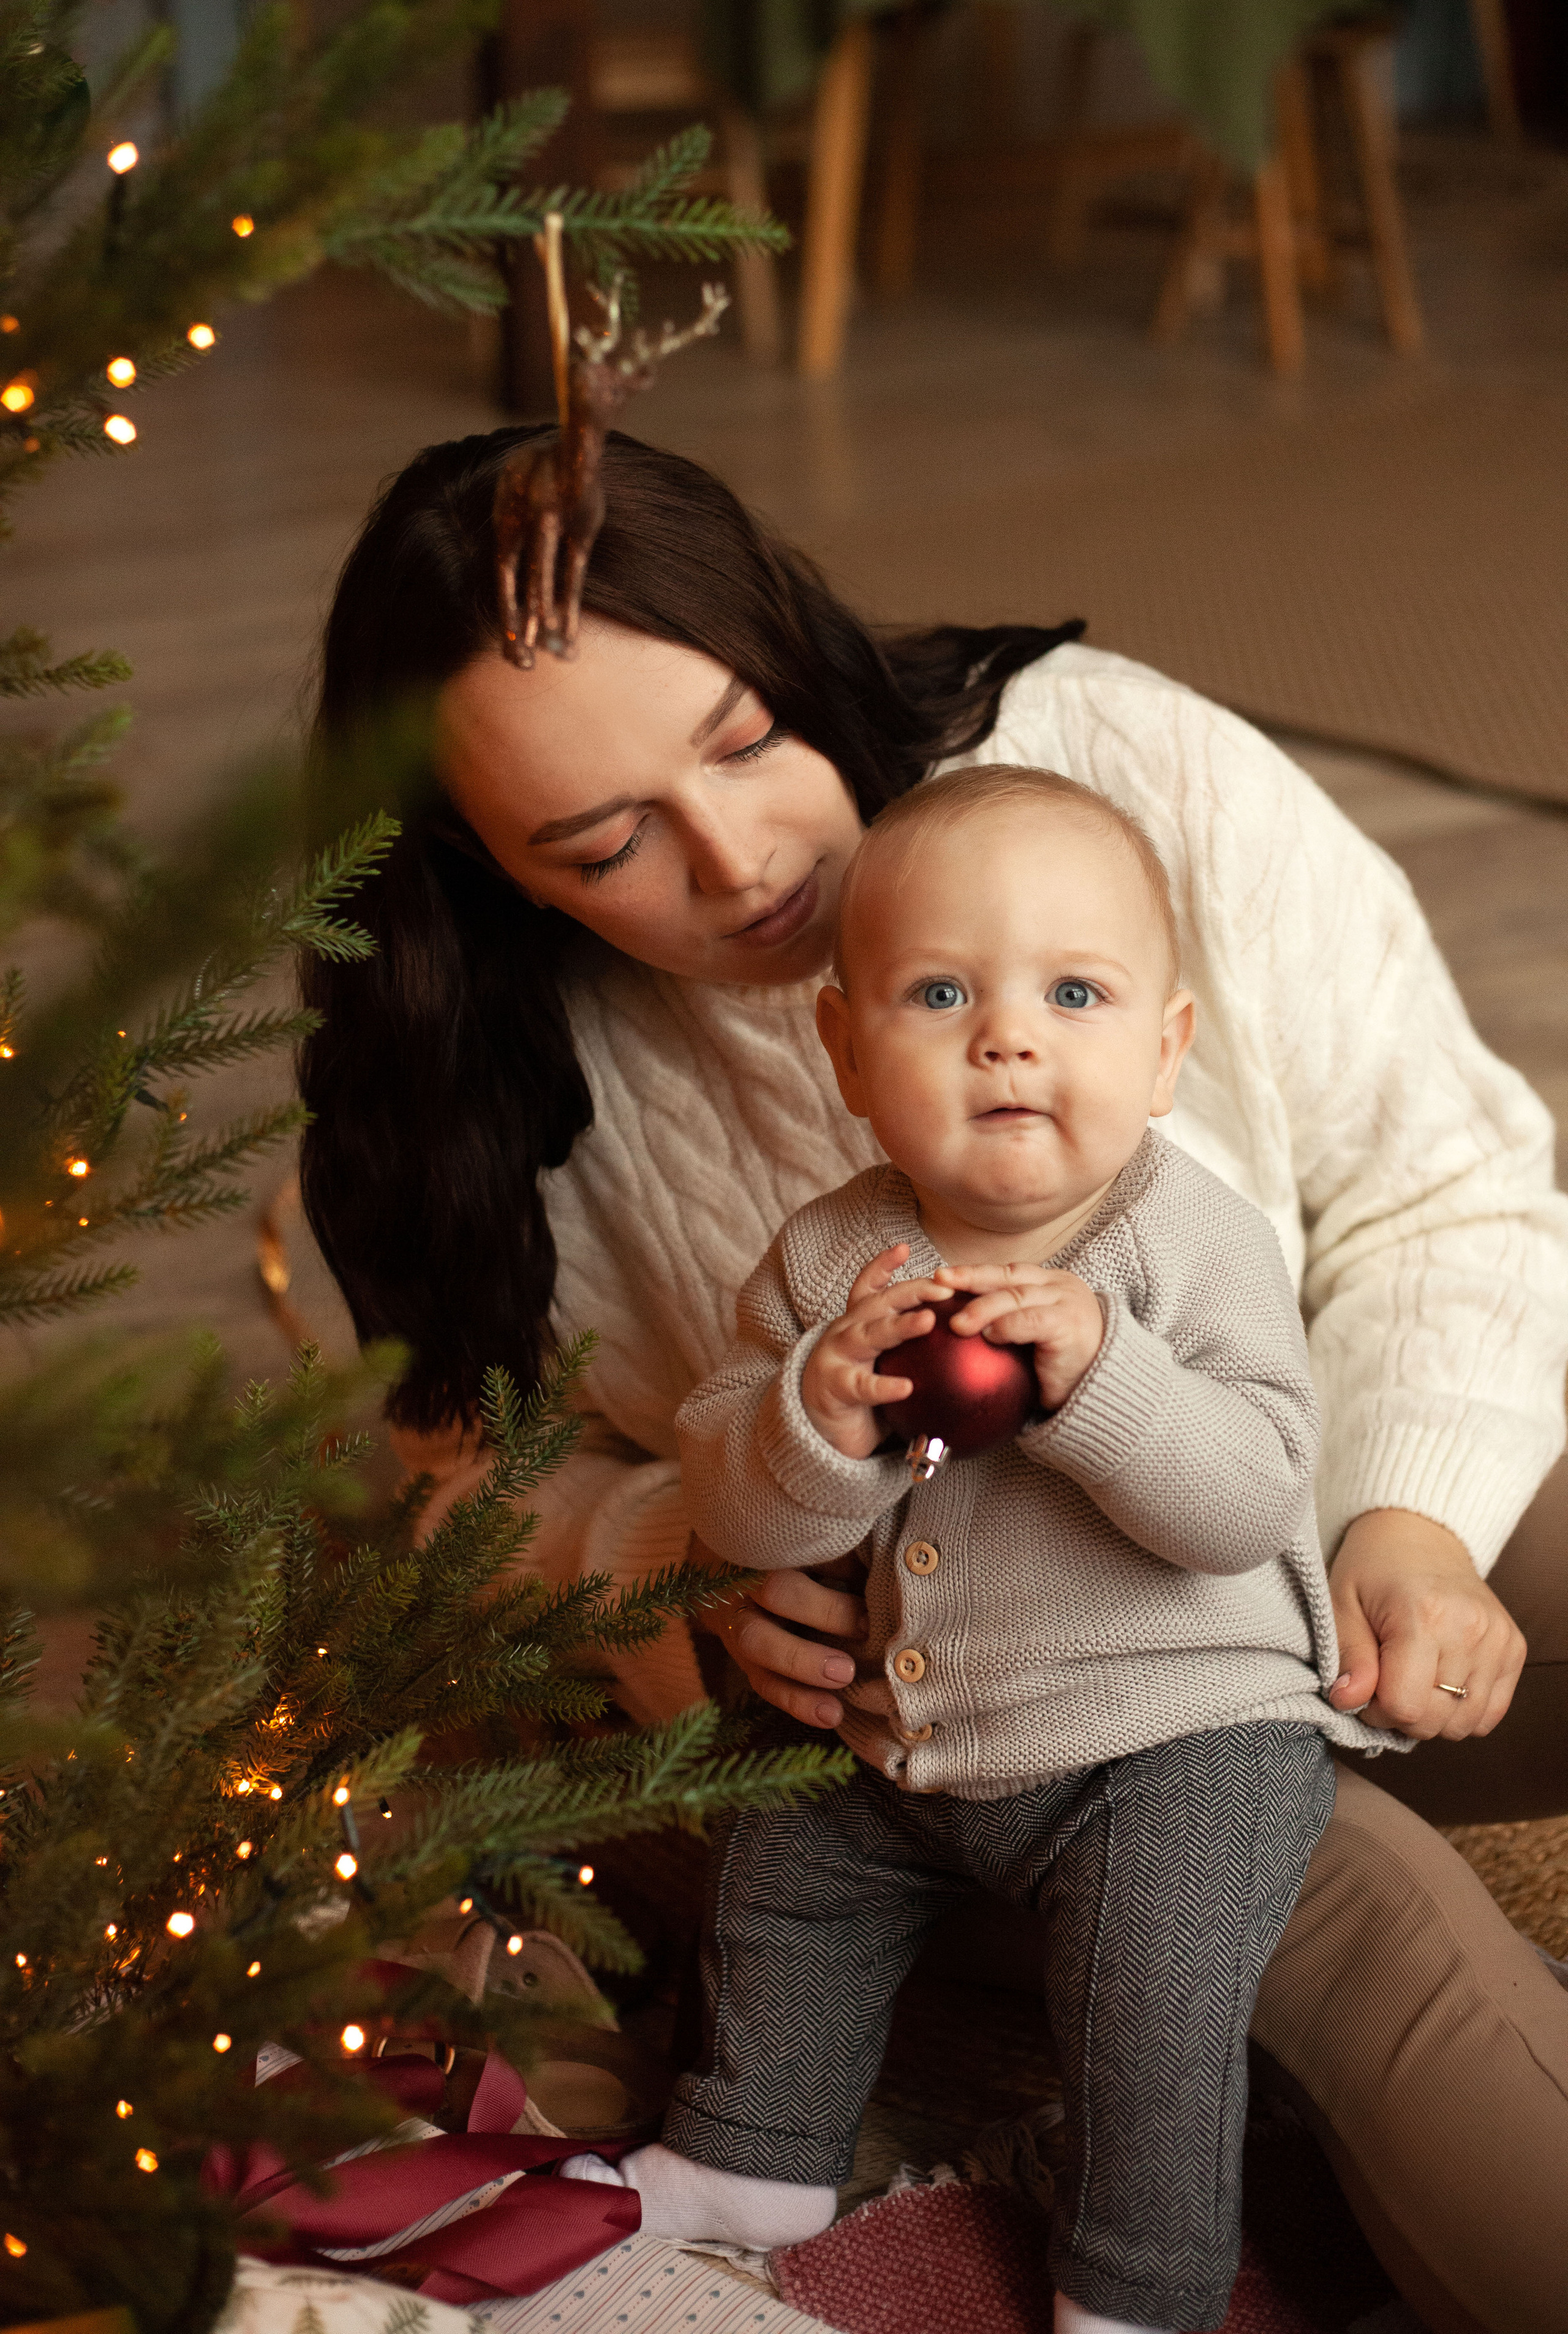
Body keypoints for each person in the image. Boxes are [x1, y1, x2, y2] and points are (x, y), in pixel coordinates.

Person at [300, 425, 1568, 2333]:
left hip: (1284, 1490)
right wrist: (678, 1557)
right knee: (1365, 1923)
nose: (738, 860)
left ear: (793, 649)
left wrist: (1404, 1523)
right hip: (987, 1715)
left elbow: (1445, 1175)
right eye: (603, 842)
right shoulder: (477, 1094)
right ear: (488, 873)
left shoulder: (1112, 761)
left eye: (740, 740)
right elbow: (471, 1491)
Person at [561, 763, 1405, 2334]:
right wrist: (813, 1418)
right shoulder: (826, 1260)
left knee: (1149, 2000)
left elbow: (1242, 1500)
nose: (1006, 1037)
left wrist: (1108, 1376)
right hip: (901, 1744)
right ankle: (753, 2150)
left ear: (1162, 1054)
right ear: (844, 1050)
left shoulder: (1185, 1241)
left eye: (1073, 994)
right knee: (775, 1867)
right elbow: (735, 1526)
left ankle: (1139, 2288)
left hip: (1179, 1737)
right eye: (939, 992)